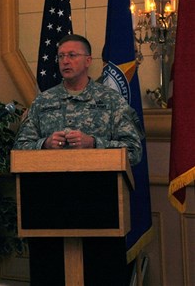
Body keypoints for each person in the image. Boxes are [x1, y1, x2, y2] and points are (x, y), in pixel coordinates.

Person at [13, 34, 143, 285]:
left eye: (72, 55)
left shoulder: (110, 101)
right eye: (61, 56)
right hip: (49, 213)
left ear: (88, 61)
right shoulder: (44, 101)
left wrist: (94, 143)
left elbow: (134, 150)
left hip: (101, 213)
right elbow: (20, 148)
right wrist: (45, 144)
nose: (65, 61)